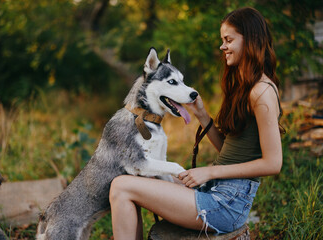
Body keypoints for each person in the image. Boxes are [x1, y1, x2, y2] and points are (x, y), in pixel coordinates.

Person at [109, 7, 284, 239]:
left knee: (121, 186)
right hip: (215, 192)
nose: (223, 46)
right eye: (223, 40)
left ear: (251, 40)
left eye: (228, 40)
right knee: (135, 179)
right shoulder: (246, 87)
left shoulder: (262, 92)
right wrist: (202, 115)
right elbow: (230, 151)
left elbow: (273, 163)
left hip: (225, 205)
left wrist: (210, 172)